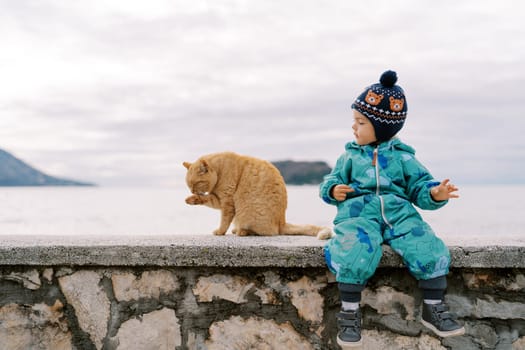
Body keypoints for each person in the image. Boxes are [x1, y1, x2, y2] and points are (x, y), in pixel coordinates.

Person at [319, 70, 465, 348]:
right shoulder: (349, 157)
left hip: (400, 216)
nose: (354, 128)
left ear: (382, 127)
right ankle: (349, 312)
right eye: (355, 121)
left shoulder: (404, 159)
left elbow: (420, 187)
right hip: (358, 215)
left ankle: (433, 307)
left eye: (360, 122)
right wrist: (333, 190)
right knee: (355, 251)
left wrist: (435, 193)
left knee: (428, 246)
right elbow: (330, 181)